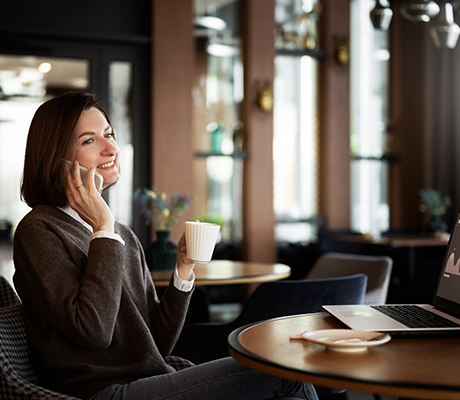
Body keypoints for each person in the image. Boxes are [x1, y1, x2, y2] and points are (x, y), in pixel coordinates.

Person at [13, 90, 319, 400]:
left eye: (109, 134)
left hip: (149, 380)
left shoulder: (122, 236)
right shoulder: (40, 230)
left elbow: (156, 345)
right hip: (99, 392)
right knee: (283, 371)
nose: (112, 148)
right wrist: (103, 228)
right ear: (57, 157)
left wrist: (183, 271)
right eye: (89, 141)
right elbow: (92, 331)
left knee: (291, 383)